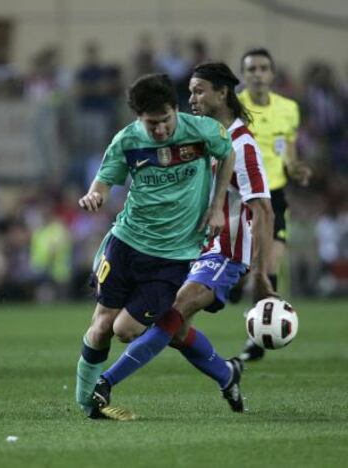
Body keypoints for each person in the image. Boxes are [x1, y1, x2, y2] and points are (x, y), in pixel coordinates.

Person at [91, 62, 274, 417]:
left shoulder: (243, 144)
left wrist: (262, 273)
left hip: (227, 252)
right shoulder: (196, 135)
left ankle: (106, 383)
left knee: (170, 315)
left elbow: (263, 208)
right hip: (193, 248)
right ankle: (227, 373)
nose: (191, 97)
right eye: (189, 90)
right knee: (176, 330)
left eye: (199, 90)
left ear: (223, 93)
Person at [238, 48, 312, 361]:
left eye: (263, 68)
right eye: (251, 69)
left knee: (270, 265)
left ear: (272, 74)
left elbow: (287, 151)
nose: (257, 73)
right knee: (240, 270)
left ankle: (260, 334)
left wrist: (295, 168)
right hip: (240, 195)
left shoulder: (288, 109)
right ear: (244, 75)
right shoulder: (235, 106)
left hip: (275, 194)